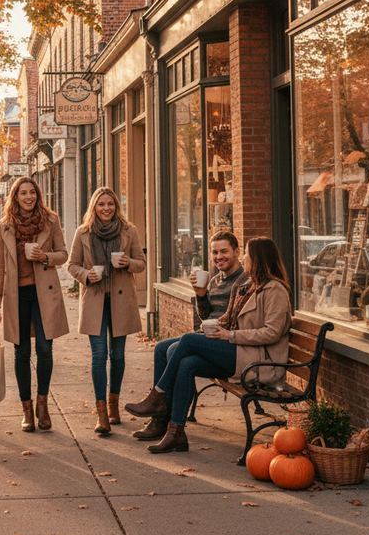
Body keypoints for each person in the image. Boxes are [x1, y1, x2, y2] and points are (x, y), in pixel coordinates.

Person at [126, 237, 292, 454]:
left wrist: (229, 335)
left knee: (186, 341)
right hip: (241, 352)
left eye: (247, 255)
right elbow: (228, 318)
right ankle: (175, 432)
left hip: (259, 362)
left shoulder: (275, 290)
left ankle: (158, 397)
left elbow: (272, 332)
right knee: (187, 363)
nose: (244, 259)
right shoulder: (250, 287)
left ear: (259, 259)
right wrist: (214, 326)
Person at [131, 230, 247, 442]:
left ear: (237, 252)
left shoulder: (245, 282)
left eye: (224, 251)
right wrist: (200, 295)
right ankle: (162, 421)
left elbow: (242, 321)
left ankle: (158, 398)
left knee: (180, 348)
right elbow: (206, 316)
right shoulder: (214, 280)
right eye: (215, 252)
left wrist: (222, 331)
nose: (219, 257)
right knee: (162, 349)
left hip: (230, 346)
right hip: (209, 340)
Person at [68, 186, 145, 436]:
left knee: (118, 355)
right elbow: (72, 265)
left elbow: (141, 263)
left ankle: (114, 405)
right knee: (99, 356)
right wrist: (86, 275)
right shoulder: (83, 232)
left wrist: (128, 262)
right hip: (95, 300)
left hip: (121, 301)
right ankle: (102, 413)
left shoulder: (129, 230)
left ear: (116, 207)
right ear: (94, 207)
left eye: (110, 204)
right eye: (101, 204)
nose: (106, 208)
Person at [0, 176, 69, 432]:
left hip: (44, 294)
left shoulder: (50, 220)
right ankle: (26, 410)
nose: (29, 197)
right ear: (15, 197)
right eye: (23, 193)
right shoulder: (5, 225)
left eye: (32, 193)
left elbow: (63, 254)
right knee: (22, 352)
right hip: (17, 295)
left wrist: (44, 256)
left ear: (38, 195)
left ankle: (42, 405)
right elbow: (0, 266)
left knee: (45, 349)